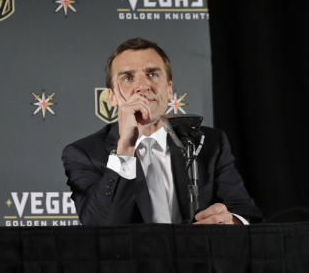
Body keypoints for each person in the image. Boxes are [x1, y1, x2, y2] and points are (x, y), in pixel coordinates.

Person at [62, 37, 262, 226]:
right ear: (112, 97)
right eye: (128, 78)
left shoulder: (209, 142)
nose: (143, 86)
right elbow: (99, 227)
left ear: (169, 89)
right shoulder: (84, 154)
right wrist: (125, 148)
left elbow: (246, 214)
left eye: (152, 74)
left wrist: (232, 221)